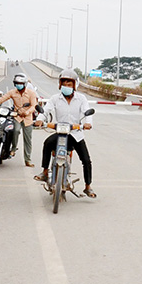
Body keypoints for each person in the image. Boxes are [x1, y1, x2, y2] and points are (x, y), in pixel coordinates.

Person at [33, 68, 96, 197]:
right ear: (60, 85)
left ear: (75, 85)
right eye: (64, 84)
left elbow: (86, 112)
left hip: (75, 134)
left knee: (86, 160)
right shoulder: (55, 98)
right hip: (60, 132)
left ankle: (88, 186)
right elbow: (46, 111)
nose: (66, 86)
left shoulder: (81, 99)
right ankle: (45, 172)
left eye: (69, 84)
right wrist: (40, 119)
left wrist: (88, 123)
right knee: (47, 143)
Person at [0, 73, 39, 167]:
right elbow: (2, 99)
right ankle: (13, 149)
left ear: (25, 84)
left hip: (27, 118)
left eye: (20, 83)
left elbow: (33, 106)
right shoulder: (13, 92)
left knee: (28, 140)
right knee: (14, 130)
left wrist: (27, 113)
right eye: (17, 83)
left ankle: (27, 160)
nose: (18, 85)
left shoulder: (31, 93)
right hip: (17, 116)